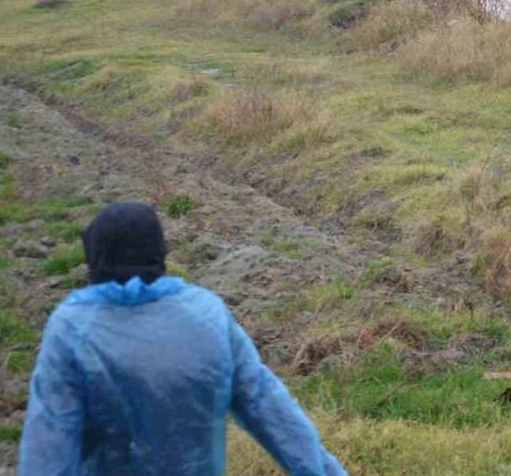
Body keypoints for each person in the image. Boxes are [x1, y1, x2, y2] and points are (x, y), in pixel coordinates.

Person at [18, 201, 346, 476]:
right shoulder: (208, 316)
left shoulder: (73, 329)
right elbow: (269, 408)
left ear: (96, 257)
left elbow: (49, 442)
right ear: (160, 252)